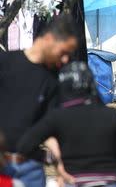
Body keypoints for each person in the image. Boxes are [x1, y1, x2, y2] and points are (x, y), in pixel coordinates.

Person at [17, 61, 116, 187]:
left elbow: (24, 146)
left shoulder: (57, 117)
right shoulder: (112, 115)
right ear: (91, 84)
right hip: (109, 181)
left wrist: (51, 157)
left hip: (73, 180)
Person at [0, 14, 78, 187]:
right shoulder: (6, 63)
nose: (65, 59)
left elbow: (49, 127)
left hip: (31, 170)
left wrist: (60, 162)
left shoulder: (52, 81)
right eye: (63, 52)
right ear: (49, 39)